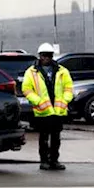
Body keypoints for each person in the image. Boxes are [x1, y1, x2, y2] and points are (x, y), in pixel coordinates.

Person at [21, 43, 74, 171]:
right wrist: (38, 101)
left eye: (49, 55)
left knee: (56, 138)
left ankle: (54, 160)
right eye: (44, 55)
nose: (46, 58)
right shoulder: (31, 72)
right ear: (40, 56)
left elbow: (68, 88)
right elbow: (27, 89)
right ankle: (44, 160)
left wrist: (65, 100)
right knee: (44, 137)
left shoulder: (62, 71)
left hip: (58, 110)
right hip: (43, 111)